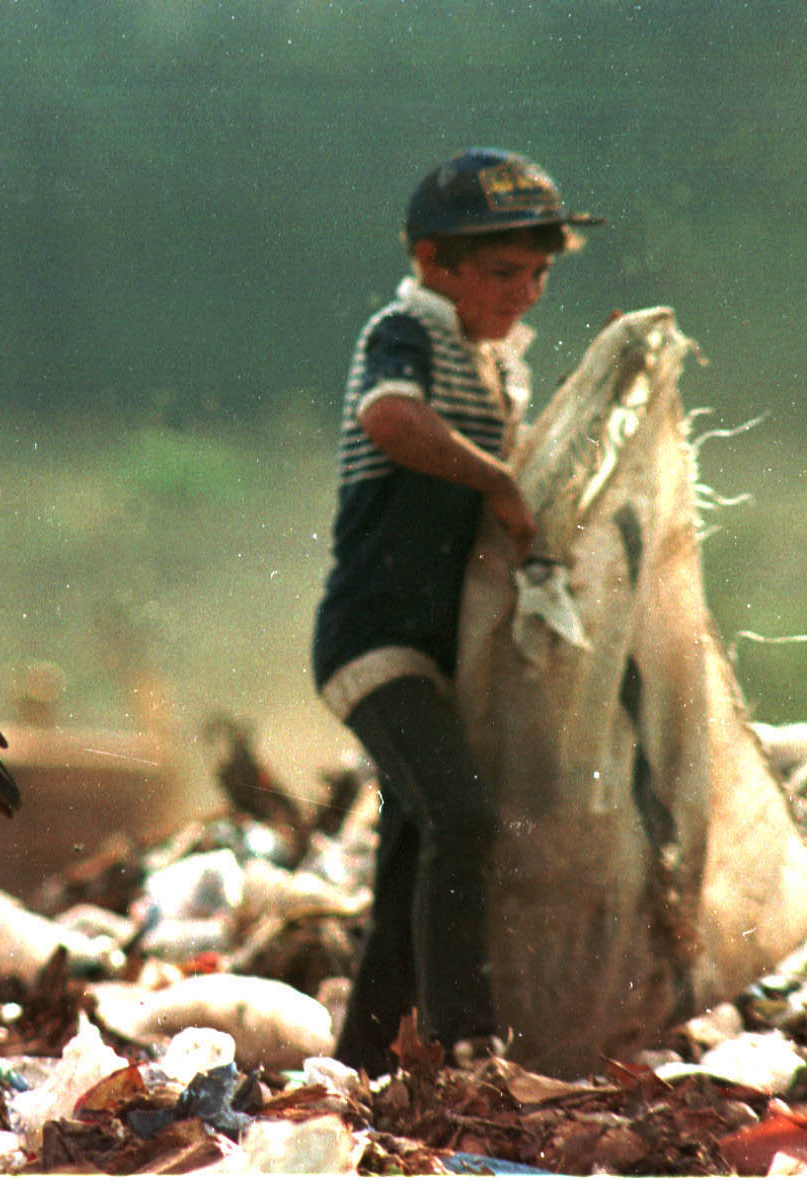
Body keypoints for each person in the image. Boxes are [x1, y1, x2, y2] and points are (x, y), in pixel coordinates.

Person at [312, 147, 602, 1074]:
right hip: (374, 641)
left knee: (412, 854)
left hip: (438, 653)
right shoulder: (405, 330)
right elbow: (389, 421)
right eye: (504, 273)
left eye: (538, 274)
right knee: (465, 819)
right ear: (435, 263)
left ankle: (362, 1064)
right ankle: (461, 1038)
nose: (525, 294)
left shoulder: (494, 369)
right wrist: (500, 483)